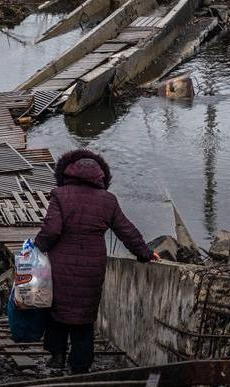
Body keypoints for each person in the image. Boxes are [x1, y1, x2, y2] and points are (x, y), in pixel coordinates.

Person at [33, 148, 158, 374]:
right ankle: (80, 366)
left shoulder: (60, 195)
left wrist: (36, 248)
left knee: (57, 310)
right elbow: (126, 231)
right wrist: (145, 253)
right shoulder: (108, 200)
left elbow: (51, 230)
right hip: (93, 266)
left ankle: (57, 357)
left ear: (67, 172)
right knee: (84, 314)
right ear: (102, 176)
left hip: (61, 264)